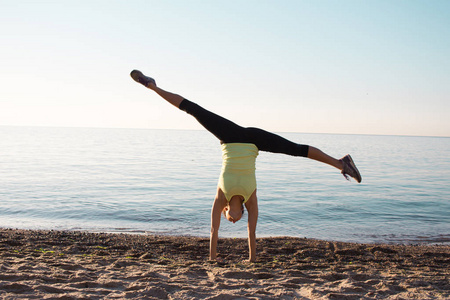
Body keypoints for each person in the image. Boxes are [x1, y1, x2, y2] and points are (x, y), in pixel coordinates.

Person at [130, 70, 362, 262]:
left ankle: (152, 86)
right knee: (296, 150)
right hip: (253, 141)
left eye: (230, 219)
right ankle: (341, 163)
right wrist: (252, 259)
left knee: (193, 109)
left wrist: (212, 260)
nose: (233, 220)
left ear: (226, 211)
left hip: (229, 137)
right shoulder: (250, 198)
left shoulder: (221, 197)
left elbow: (213, 232)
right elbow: (251, 233)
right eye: (237, 220)